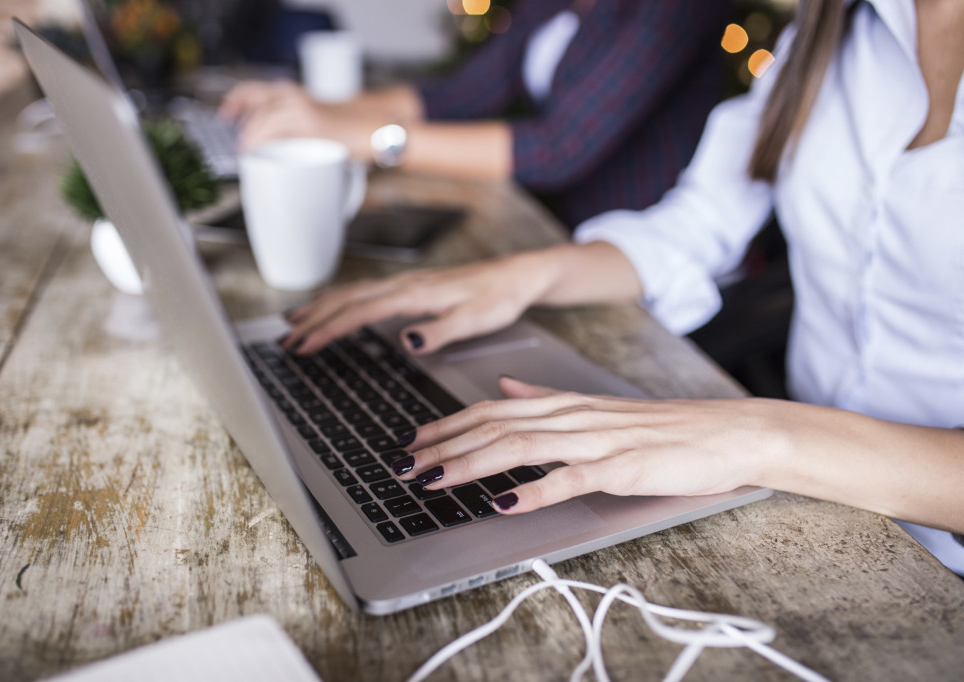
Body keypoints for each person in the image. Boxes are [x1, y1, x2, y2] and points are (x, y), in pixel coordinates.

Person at [278, 0, 964, 573]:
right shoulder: (836, 29)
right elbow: (698, 225)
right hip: (802, 510)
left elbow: (559, 144)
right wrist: (522, 274)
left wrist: (764, 433)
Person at [219, 0, 732, 229]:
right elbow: (458, 94)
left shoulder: (675, 6)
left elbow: (557, 148)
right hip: (547, 225)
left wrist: (364, 137)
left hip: (637, 258)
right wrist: (311, 109)